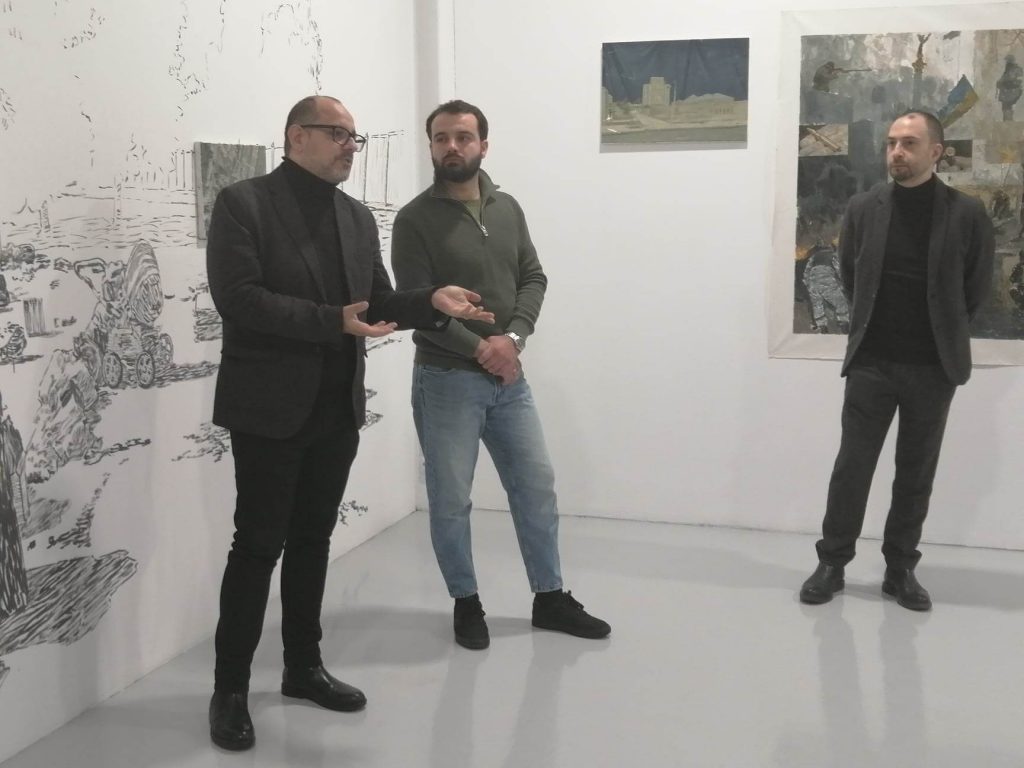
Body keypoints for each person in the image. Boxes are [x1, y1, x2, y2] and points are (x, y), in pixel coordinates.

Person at [205, 95, 494, 751]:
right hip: (269, 407)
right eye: (337, 134)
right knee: (257, 547)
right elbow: (238, 299)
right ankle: (229, 690)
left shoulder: (355, 217)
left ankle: (303, 668)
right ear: (296, 136)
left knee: (312, 542)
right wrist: (329, 320)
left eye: (353, 138)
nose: (348, 147)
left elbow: (379, 300)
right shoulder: (243, 204)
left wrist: (431, 299)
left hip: (335, 406)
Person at [390, 100, 610, 650]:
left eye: (463, 137)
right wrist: (482, 349)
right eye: (441, 138)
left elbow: (533, 276)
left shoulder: (507, 208)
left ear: (483, 145)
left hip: (508, 380)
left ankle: (549, 597)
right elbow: (417, 305)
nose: (452, 147)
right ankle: (466, 603)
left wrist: (511, 341)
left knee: (535, 487)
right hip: (446, 380)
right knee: (451, 500)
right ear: (431, 146)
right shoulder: (414, 220)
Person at [799, 110, 994, 611]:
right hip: (872, 363)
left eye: (909, 143)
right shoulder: (864, 207)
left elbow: (975, 288)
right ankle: (832, 563)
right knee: (852, 468)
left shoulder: (966, 213)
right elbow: (851, 275)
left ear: (936, 152)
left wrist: (942, 333)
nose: (897, 152)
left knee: (915, 472)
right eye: (891, 143)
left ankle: (900, 568)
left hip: (933, 368)